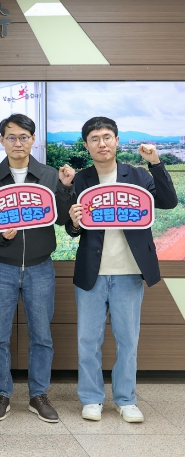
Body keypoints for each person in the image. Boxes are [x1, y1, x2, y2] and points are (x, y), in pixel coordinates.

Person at [67, 117, 177, 423]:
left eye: (107, 137)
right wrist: (73, 222)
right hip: (91, 272)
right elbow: (72, 228)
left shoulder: (138, 175)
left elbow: (168, 202)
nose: (101, 143)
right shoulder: (81, 180)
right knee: (88, 340)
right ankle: (91, 398)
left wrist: (155, 163)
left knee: (128, 340)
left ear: (116, 140)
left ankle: (126, 399)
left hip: (129, 271)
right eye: (94, 139)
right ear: (86, 145)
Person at [0, 113, 76, 423]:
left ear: (33, 140)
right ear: (2, 140)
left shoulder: (50, 175)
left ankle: (38, 394)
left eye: (24, 137)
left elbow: (62, 218)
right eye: (11, 137)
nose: (18, 142)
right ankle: (1, 393)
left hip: (41, 267)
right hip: (1, 266)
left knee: (42, 335)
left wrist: (66, 189)